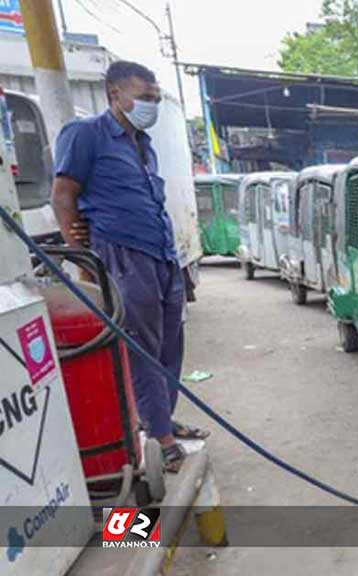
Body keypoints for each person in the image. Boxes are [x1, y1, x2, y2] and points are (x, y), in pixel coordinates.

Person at [51, 61, 207, 473]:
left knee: (170, 345)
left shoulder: (143, 143)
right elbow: (64, 194)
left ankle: (160, 420)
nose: (150, 105)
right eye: (143, 97)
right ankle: (161, 439)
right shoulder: (86, 134)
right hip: (123, 255)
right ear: (115, 95)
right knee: (142, 347)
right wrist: (81, 256)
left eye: (154, 98)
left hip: (162, 254)